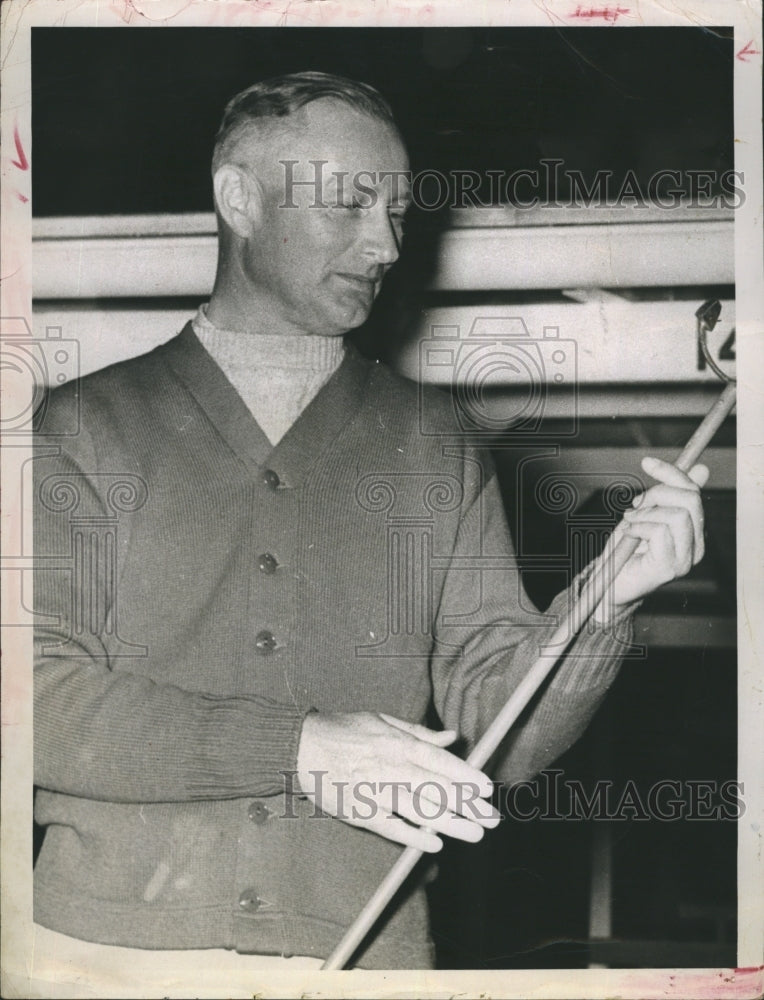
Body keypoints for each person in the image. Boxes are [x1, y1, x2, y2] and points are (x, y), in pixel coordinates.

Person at [32, 71, 707, 974]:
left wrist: (603, 606)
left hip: (363, 957)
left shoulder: (434, 441)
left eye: (396, 210)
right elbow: (29, 701)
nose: (385, 241)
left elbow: (496, 741)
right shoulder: (82, 425)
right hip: (98, 955)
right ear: (239, 198)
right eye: (350, 202)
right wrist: (301, 749)